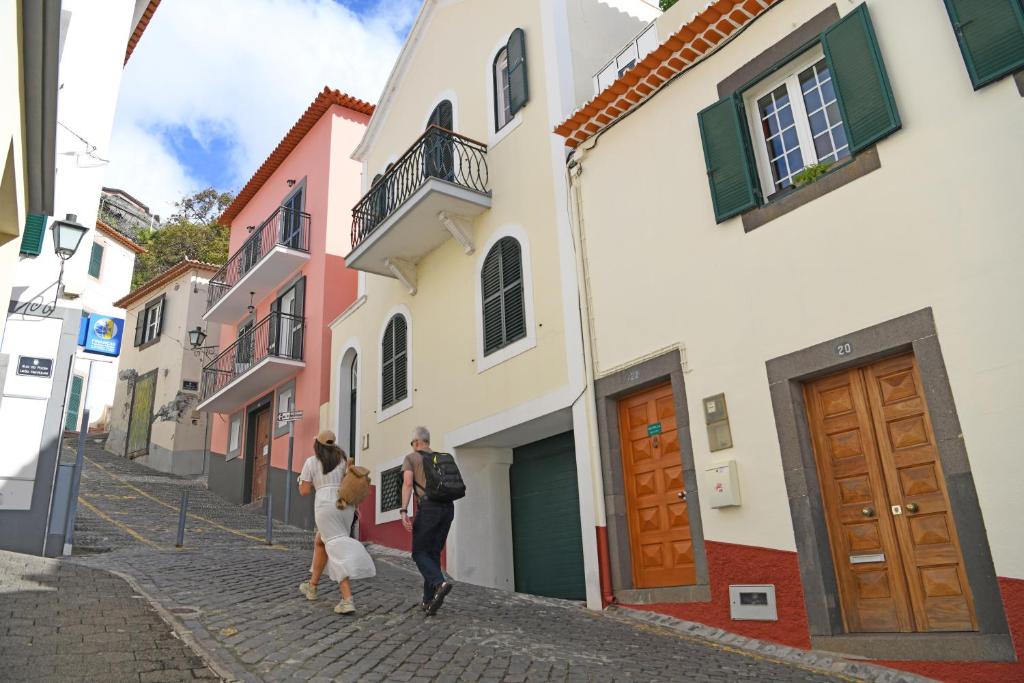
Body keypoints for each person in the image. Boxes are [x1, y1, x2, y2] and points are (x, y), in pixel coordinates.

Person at [297, 430, 376, 615]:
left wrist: (301, 479)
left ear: (317, 445)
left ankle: (347, 599)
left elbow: (304, 491)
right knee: (321, 542)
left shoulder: (311, 462)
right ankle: (312, 586)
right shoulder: (342, 460)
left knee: (334, 548)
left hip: (325, 506)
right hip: (345, 505)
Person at [401, 426, 454, 616]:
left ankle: (440, 583)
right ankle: (428, 600)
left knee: (419, 553)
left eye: (412, 443)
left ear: (416, 442)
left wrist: (403, 510)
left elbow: (408, 483)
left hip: (429, 508)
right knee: (431, 554)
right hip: (448, 509)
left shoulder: (411, 458)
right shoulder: (441, 457)